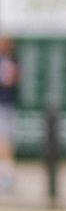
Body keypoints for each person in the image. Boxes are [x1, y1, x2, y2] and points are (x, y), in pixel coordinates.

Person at [0, 37, 19, 192]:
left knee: (5, 142)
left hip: (5, 105)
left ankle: (7, 176)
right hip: (5, 105)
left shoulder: (10, 61)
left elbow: (10, 81)